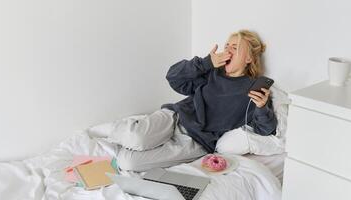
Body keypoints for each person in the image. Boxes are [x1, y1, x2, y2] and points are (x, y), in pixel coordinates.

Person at [112, 30, 277, 172]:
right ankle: (118, 131)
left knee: (127, 162)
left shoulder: (252, 90)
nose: (228, 51)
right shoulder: (212, 71)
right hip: (175, 118)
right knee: (135, 138)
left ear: (249, 58)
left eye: (235, 48)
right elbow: (173, 77)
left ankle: (133, 138)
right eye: (227, 46)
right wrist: (206, 63)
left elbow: (265, 129)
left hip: (195, 142)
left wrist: (262, 107)